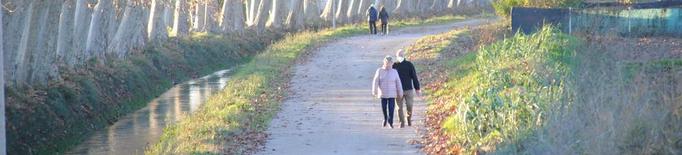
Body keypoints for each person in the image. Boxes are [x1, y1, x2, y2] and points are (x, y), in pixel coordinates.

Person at [392, 49, 421, 128]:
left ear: (404, 56)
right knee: (399, 108)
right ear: (396, 56)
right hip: (398, 90)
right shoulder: (394, 65)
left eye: (401, 55)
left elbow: (414, 77)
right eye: (399, 55)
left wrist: (417, 89)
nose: (400, 56)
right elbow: (390, 79)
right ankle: (401, 122)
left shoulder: (409, 64)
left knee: (409, 105)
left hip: (408, 89)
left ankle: (408, 118)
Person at [373, 56, 403, 128]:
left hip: (392, 94)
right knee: (384, 107)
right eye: (387, 63)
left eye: (390, 63)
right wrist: (375, 90)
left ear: (392, 63)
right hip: (383, 93)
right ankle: (385, 118)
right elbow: (376, 81)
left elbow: (398, 82)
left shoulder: (394, 72)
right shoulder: (379, 71)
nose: (389, 65)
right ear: (384, 63)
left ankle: (390, 122)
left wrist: (400, 92)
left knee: (391, 108)